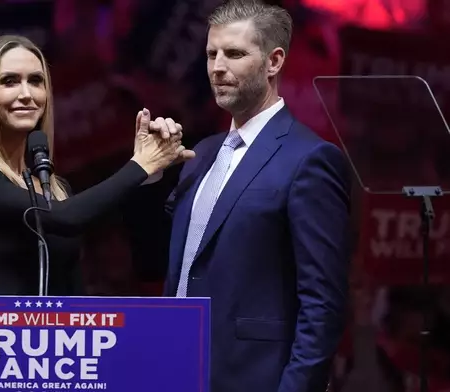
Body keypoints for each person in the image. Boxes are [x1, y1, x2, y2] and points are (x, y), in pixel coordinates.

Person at [148, 1, 352, 391]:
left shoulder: (310, 158)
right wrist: (148, 173)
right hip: (177, 371)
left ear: (274, 61)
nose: (217, 67)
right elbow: (181, 263)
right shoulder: (200, 154)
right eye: (211, 54)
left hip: (254, 379)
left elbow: (323, 303)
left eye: (234, 54)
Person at [0, 35, 192, 296]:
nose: (26, 94)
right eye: (9, 81)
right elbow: (63, 217)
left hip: (57, 337)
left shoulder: (55, 187)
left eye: (35, 81)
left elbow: (74, 290)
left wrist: (152, 171)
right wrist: (139, 166)